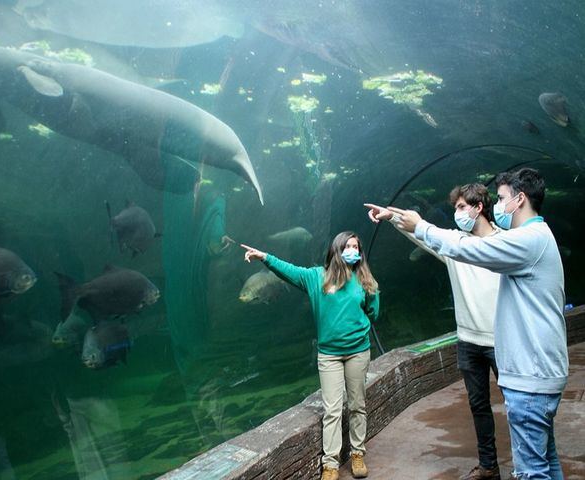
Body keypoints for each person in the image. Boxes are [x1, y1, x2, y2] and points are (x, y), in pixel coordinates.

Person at [382, 168, 568, 480]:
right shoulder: (538, 236)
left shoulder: (526, 240)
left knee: (532, 472)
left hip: (531, 378)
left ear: (520, 200)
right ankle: (488, 464)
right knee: (546, 463)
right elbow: (460, 244)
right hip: (536, 374)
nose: (499, 204)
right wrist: (404, 222)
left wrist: (423, 226)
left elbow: (472, 248)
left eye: (503, 198)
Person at [365, 183, 503, 480]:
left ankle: (530, 465)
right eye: (455, 208)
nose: (456, 213)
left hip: (502, 339)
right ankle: (488, 465)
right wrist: (391, 217)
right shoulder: (453, 244)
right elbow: (422, 236)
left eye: (462, 207)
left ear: (479, 207)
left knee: (518, 404)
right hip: (468, 340)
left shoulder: (506, 244)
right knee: (478, 405)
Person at [242, 232, 379, 480]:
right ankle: (331, 464)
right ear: (336, 250)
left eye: (356, 247)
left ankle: (358, 454)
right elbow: (289, 271)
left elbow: (373, 311)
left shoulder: (364, 278)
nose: (352, 250)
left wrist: (357, 328)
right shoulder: (317, 277)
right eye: (347, 246)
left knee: (358, 404)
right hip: (329, 355)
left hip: (358, 351)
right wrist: (265, 257)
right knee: (333, 410)